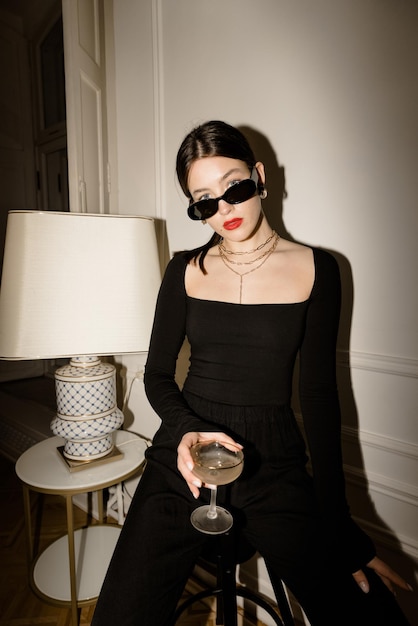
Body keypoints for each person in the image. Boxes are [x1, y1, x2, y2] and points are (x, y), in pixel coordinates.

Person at [92, 120, 413, 625]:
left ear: (259, 176)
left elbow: (320, 396)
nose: (224, 209)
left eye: (234, 187)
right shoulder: (183, 271)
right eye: (204, 201)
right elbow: (156, 375)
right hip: (186, 452)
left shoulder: (318, 269)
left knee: (370, 614)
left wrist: (339, 527)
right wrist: (185, 429)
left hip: (273, 462)